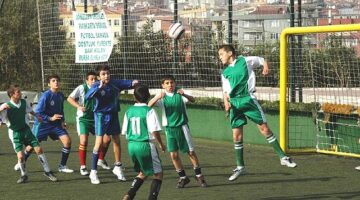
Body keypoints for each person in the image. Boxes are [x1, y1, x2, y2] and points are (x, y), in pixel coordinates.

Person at [218, 44, 297, 181]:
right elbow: (226, 90)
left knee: (264, 129)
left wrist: (265, 66)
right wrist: (226, 102)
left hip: (248, 100)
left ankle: (283, 157)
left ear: (230, 53)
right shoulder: (225, 72)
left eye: (221, 54)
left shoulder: (244, 61)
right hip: (235, 103)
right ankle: (240, 167)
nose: (220, 57)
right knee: (236, 136)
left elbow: (261, 60)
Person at [148, 75, 208, 188]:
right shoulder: (162, 96)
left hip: (182, 127)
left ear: (175, 83)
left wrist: (184, 94)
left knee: (190, 152)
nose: (170, 85)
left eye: (172, 82)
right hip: (169, 130)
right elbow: (148, 106)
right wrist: (157, 97)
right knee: (173, 155)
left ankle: (199, 176)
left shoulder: (180, 94)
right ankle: (183, 178)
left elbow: (193, 100)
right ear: (163, 85)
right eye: (167, 83)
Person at [85, 64, 138, 184]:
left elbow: (128, 83)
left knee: (116, 140)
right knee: (98, 143)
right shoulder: (95, 85)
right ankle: (93, 172)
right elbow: (87, 97)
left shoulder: (115, 83)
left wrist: (134, 82)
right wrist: (98, 88)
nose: (106, 76)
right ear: (99, 77)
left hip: (113, 114)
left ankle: (118, 167)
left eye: (108, 73)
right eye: (103, 74)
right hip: (100, 116)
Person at [0, 85, 57, 183]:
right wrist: (1, 110)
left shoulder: (23, 102)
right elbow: (1, 119)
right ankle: (24, 175)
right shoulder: (6, 106)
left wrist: (37, 117)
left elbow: (30, 111)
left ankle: (48, 171)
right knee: (21, 156)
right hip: (15, 133)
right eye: (18, 92)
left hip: (26, 130)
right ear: (12, 94)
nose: (21, 93)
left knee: (38, 149)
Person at [121, 84, 166, 200]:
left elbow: (125, 131)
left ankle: (129, 194)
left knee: (143, 172)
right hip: (145, 145)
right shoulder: (149, 111)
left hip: (131, 145)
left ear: (134, 97)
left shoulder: (129, 111)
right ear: (148, 96)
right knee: (158, 174)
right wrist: (161, 144)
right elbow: (154, 131)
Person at [67, 71, 111, 175]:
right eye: (91, 79)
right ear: (87, 80)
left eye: (95, 79)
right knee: (84, 141)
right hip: (84, 119)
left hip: (96, 118)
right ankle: (83, 166)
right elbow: (69, 98)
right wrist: (79, 106)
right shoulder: (82, 88)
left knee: (107, 139)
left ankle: (100, 159)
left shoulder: (100, 87)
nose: (93, 81)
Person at [32, 74, 74, 173]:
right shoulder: (46, 95)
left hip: (56, 125)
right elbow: (38, 112)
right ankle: (22, 161)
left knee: (67, 141)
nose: (56, 82)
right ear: (49, 84)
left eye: (57, 80)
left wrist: (62, 121)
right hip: (43, 124)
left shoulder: (60, 95)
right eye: (53, 81)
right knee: (31, 146)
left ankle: (62, 166)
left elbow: (61, 110)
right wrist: (50, 118)